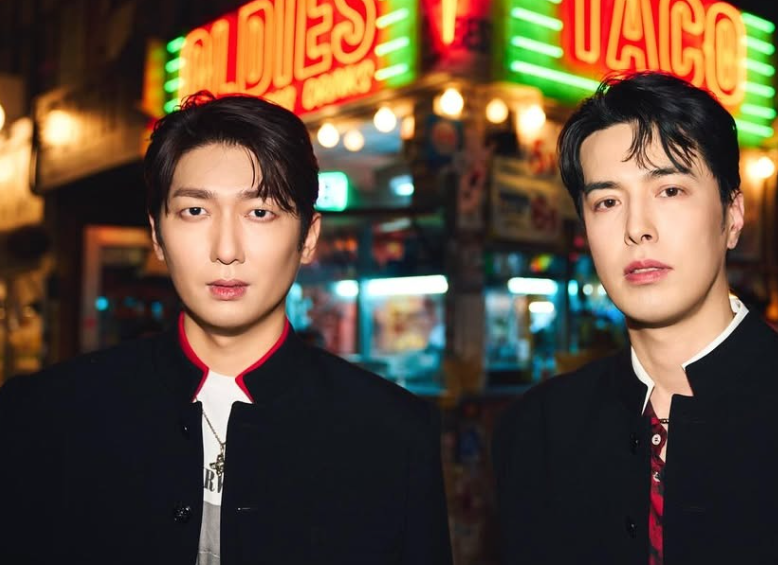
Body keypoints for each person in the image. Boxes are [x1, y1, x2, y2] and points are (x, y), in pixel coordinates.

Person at [491, 72, 778, 565]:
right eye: (607, 202)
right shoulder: (534, 433)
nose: (637, 228)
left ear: (732, 216)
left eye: (670, 190)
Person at [0, 93, 452, 565]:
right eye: (195, 211)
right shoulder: (47, 414)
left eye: (260, 212)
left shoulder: (393, 434)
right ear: (157, 235)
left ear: (308, 237)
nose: (226, 249)